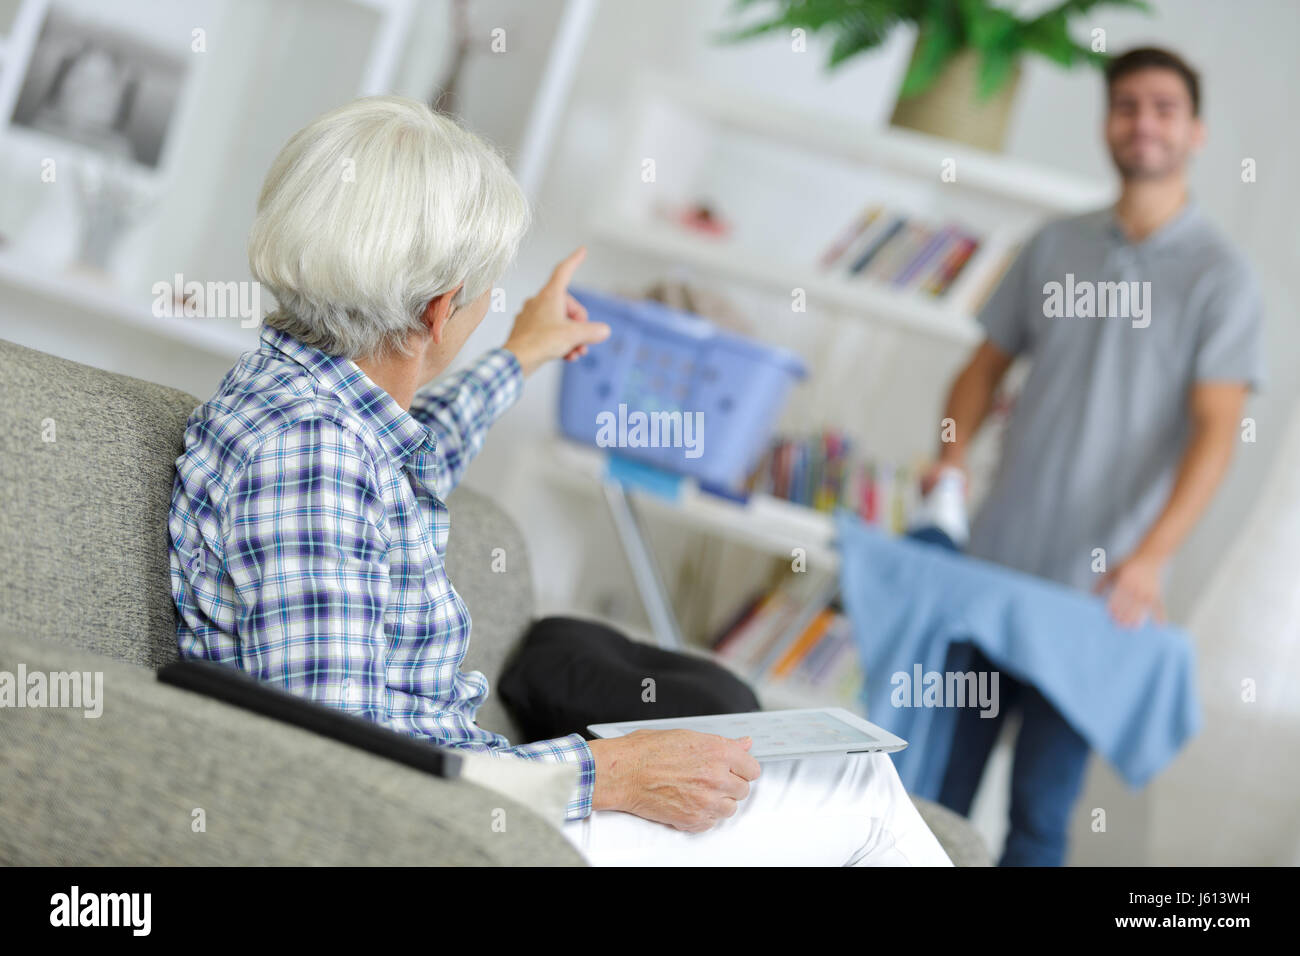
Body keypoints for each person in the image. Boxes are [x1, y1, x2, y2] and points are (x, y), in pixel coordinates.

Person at [168, 95, 951, 866]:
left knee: (841, 781)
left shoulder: (297, 401)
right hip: (430, 834)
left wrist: (522, 353)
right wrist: (610, 774)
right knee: (863, 794)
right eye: (478, 297)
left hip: (470, 799)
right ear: (441, 313)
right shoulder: (311, 454)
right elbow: (345, 759)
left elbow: (413, 450)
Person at [922, 47, 1264, 866]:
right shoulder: (1053, 244)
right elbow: (979, 370)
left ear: (1195, 131)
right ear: (1108, 123)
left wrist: (1151, 558)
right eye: (1126, 106)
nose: (1143, 121)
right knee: (936, 798)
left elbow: (1218, 429)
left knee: (1040, 815)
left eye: (1163, 107)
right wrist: (951, 456)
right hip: (993, 574)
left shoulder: (1222, 279)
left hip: (1100, 601)